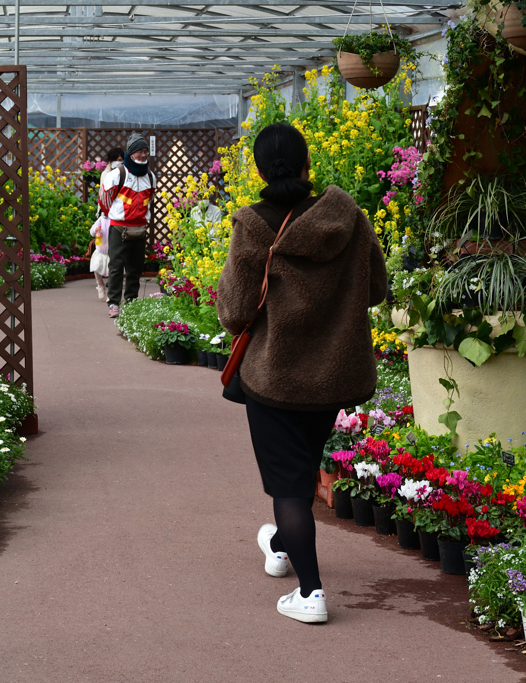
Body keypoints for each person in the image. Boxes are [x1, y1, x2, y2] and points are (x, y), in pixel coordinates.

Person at [215, 122, 387, 624]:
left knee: (287, 486)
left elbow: (233, 310)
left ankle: (310, 594)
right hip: (333, 376)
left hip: (273, 377)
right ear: (308, 162)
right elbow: (375, 288)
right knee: (299, 471)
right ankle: (282, 547)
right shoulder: (348, 217)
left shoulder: (253, 225)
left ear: (259, 169)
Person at [99, 133, 155, 318]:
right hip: (119, 228)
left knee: (135, 267)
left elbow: (149, 199)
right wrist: (116, 217)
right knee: (116, 266)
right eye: (139, 151)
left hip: (139, 228)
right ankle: (113, 303)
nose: (143, 155)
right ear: (130, 154)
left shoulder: (151, 176)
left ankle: (131, 302)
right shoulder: (116, 175)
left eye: (145, 151)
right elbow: (104, 201)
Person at [88, 148, 124, 300]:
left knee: (114, 264)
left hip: (119, 213)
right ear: (109, 161)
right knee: (99, 264)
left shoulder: (124, 172)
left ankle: (111, 291)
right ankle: (101, 286)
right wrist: (103, 211)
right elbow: (104, 193)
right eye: (117, 159)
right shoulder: (106, 173)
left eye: (121, 159)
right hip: (106, 212)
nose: (119, 162)